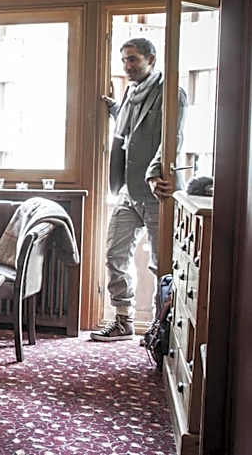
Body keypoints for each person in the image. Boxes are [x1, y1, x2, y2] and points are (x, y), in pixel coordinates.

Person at [92, 37, 186, 342]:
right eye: (124, 60)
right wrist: (113, 108)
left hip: (157, 194)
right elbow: (130, 127)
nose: (127, 66)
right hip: (127, 192)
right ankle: (123, 320)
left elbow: (172, 140)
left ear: (151, 59)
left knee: (162, 265)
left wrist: (154, 173)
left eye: (133, 59)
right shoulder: (131, 92)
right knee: (114, 254)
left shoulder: (172, 94)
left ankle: (162, 328)